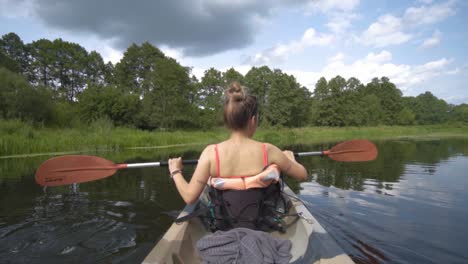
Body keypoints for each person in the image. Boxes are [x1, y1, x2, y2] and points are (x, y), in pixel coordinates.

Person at [168, 81, 307, 230]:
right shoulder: (269, 150)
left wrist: (175, 171)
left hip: (225, 226)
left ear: (227, 121)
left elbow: (190, 197)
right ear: (253, 120)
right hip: (261, 226)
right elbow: (302, 175)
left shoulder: (210, 152)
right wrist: (290, 159)